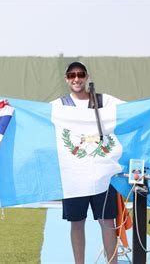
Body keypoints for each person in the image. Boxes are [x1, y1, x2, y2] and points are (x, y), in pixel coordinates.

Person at [52, 61, 123, 264]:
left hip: (103, 175)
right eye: (72, 75)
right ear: (67, 79)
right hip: (73, 177)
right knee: (76, 224)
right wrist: (2, 103)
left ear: (87, 77)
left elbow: (131, 110)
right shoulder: (60, 105)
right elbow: (31, 112)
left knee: (107, 223)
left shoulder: (103, 100)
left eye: (80, 74)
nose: (76, 78)